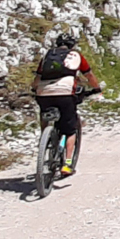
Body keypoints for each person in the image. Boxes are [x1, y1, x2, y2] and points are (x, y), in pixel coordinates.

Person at [30, 32, 102, 177]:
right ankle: (67, 164)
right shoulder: (75, 56)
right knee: (70, 129)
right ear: (72, 45)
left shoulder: (47, 56)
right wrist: (96, 88)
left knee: (45, 113)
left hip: (43, 93)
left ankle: (46, 136)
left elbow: (37, 78)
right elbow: (88, 75)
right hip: (65, 93)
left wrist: (34, 89)